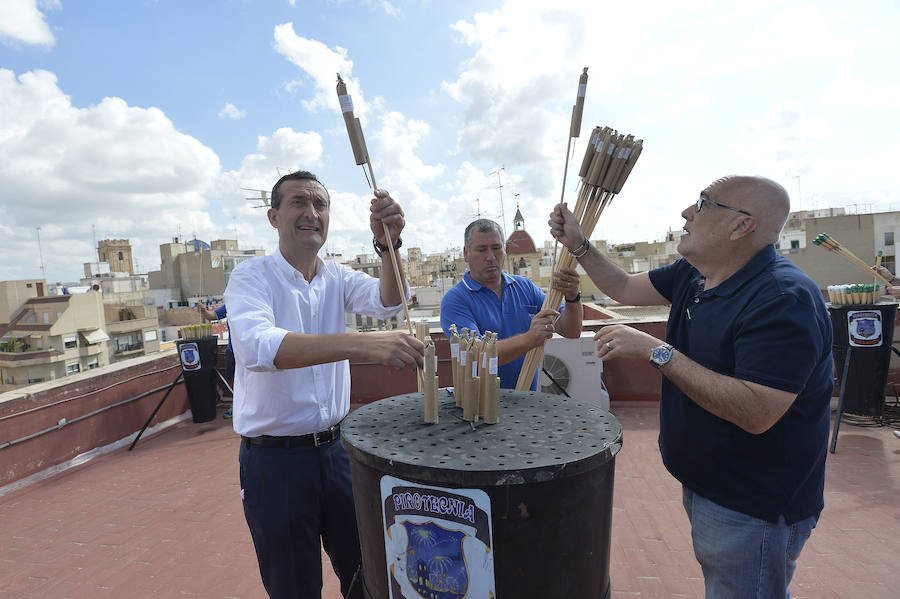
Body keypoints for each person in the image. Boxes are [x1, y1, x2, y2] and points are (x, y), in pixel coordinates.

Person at [550, 175, 833, 598]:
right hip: (712, 486)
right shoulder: (694, 273)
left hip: (754, 503)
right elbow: (623, 287)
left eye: (703, 203)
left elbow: (758, 411)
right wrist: (579, 244)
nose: (686, 212)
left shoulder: (782, 297)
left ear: (742, 225)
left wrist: (656, 352)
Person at [224, 170, 424, 599]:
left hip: (336, 453)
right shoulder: (251, 277)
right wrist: (363, 347)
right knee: (294, 586)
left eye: (320, 204)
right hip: (275, 464)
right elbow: (262, 349)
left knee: (367, 572)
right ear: (273, 217)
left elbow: (388, 301)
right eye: (298, 202)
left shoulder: (337, 276)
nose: (311, 213)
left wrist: (389, 243)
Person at [440, 218, 583, 390]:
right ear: (466, 253)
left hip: (528, 402)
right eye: (481, 250)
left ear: (505, 250)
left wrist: (573, 298)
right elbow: (476, 354)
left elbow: (571, 331)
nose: (491, 257)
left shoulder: (525, 287)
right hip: (480, 407)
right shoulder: (455, 300)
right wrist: (530, 338)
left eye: (496, 248)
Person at [198, 303, 234, 418]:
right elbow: (212, 316)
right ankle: (237, 404)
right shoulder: (231, 302)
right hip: (232, 349)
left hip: (249, 350)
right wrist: (204, 311)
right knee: (231, 378)